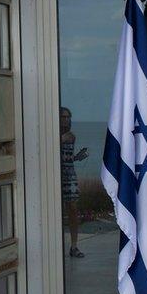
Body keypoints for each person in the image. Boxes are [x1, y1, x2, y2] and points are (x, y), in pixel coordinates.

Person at [61, 107, 89, 258]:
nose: (66, 120)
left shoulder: (71, 136)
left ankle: (74, 245)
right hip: (56, 174)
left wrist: (78, 157)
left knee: (72, 208)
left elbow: (67, 158)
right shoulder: (58, 136)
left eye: (67, 117)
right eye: (63, 117)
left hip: (69, 175)